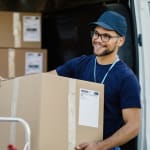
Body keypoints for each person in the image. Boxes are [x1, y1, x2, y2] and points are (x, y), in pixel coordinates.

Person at [50, 10, 141, 150]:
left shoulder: (126, 78)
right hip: (75, 144)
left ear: (120, 41)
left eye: (106, 36)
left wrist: (100, 146)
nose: (98, 40)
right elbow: (46, 79)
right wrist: (9, 81)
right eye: (96, 33)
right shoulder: (81, 63)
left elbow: (134, 125)